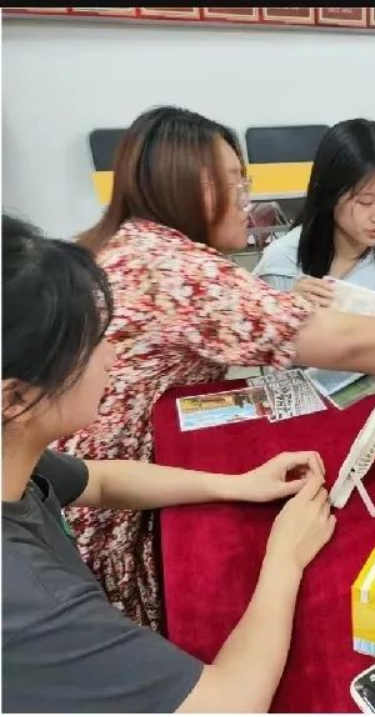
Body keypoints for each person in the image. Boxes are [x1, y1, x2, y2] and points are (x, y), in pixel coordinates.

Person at [55, 105, 375, 631]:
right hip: (98, 507)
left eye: (245, 181)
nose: (248, 199)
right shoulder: (181, 270)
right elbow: (342, 344)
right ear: (184, 187)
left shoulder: (131, 243)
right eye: (233, 183)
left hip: (89, 480)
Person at [2, 214, 335, 712]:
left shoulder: (17, 463)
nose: (112, 356)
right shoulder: (28, 597)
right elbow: (227, 705)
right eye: (92, 343)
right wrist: (285, 557)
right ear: (15, 398)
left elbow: (100, 480)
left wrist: (236, 484)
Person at [253, 118, 375, 392]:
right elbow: (273, 370)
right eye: (365, 201)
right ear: (331, 195)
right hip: (317, 401)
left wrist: (337, 323)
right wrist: (288, 317)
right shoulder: (282, 261)